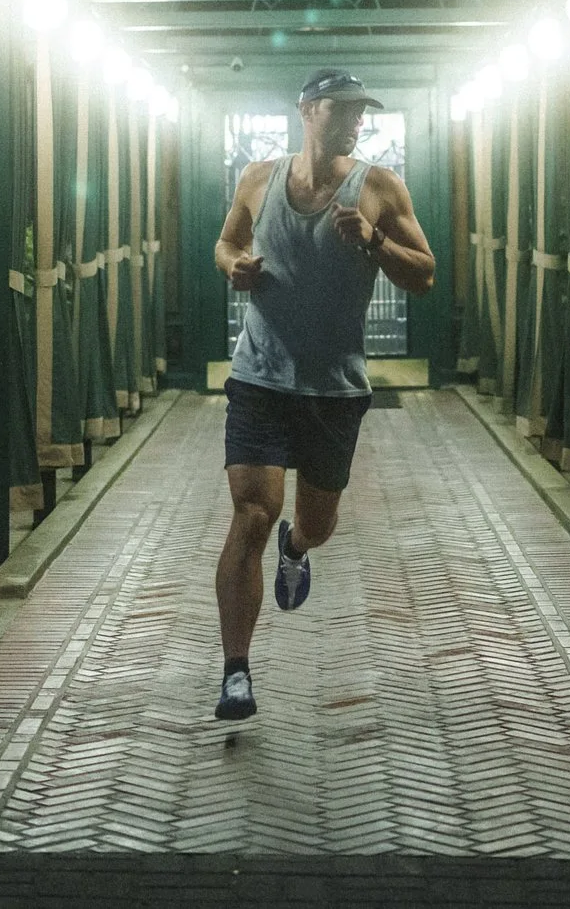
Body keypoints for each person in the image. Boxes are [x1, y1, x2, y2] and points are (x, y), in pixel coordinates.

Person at [208, 69, 436, 720]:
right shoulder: (258, 177)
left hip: (334, 389)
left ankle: (297, 549)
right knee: (252, 512)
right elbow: (226, 242)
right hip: (259, 378)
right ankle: (235, 672)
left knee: (316, 523)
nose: (356, 121)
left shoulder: (380, 187)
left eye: (363, 112)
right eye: (345, 109)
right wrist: (235, 266)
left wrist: (374, 240)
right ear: (308, 109)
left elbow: (425, 274)